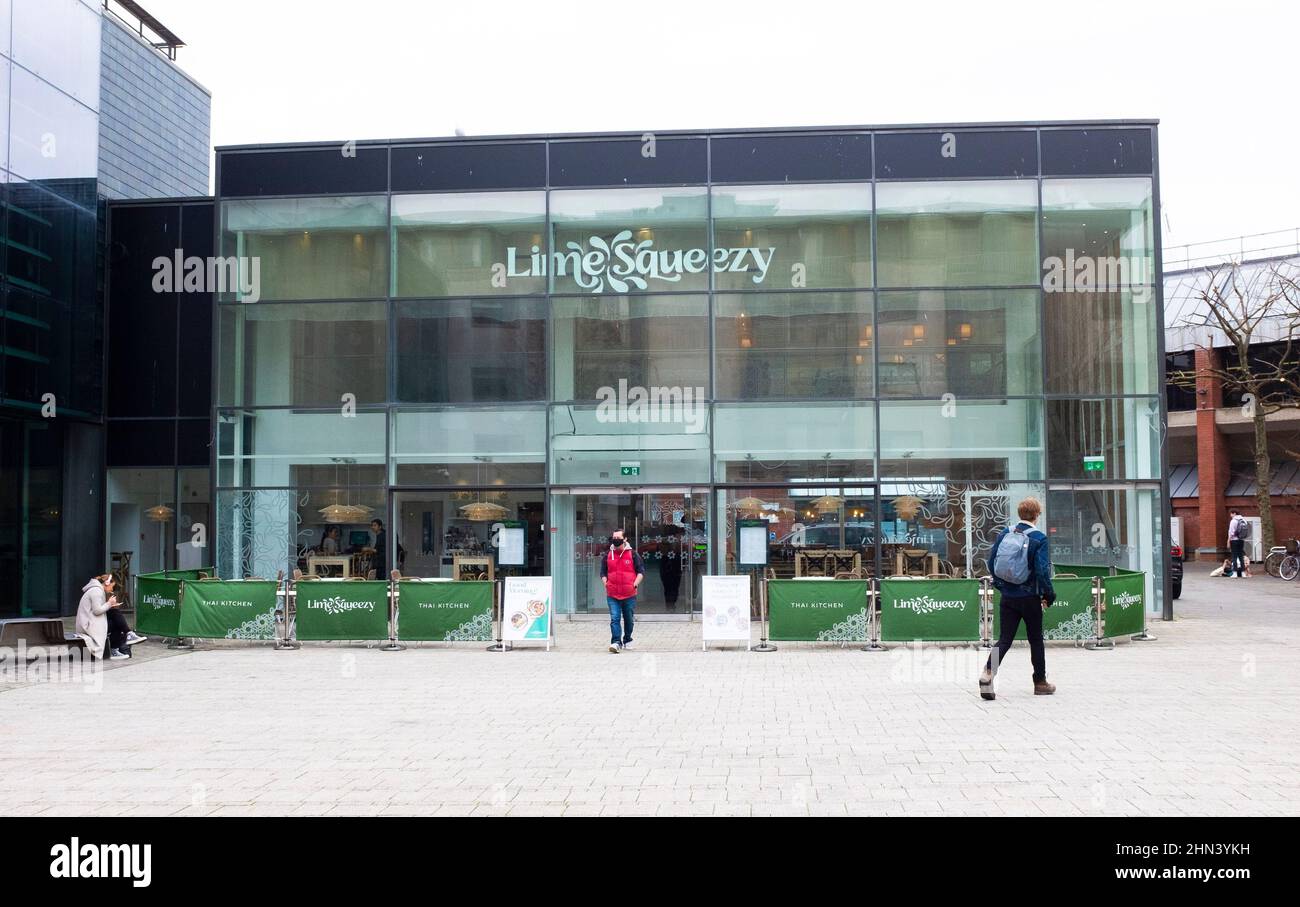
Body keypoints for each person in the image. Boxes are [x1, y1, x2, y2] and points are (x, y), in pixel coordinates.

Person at [979, 497, 1055, 700]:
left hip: (1008, 597)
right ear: (1037, 515)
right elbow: (1041, 570)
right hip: (1029, 597)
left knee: (1004, 640)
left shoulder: (1006, 532)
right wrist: (1049, 594)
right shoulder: (1039, 538)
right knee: (1036, 640)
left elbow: (991, 561)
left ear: (1020, 514)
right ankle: (1040, 682)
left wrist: (1001, 585)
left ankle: (988, 672)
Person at [600, 528, 644, 653]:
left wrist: (634, 584)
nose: (615, 540)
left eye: (618, 538)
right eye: (614, 538)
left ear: (625, 539)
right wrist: (606, 583)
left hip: (629, 594)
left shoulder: (633, 554)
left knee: (628, 619)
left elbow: (641, 571)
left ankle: (628, 639)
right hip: (612, 594)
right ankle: (616, 642)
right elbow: (603, 572)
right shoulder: (608, 554)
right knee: (615, 618)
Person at [76, 574, 131, 660]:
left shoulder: (96, 590)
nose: (112, 590)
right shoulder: (96, 591)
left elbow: (97, 609)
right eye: (112, 587)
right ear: (107, 583)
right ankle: (126, 637)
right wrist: (109, 603)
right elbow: (97, 611)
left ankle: (128, 635)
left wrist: (110, 605)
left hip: (89, 622)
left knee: (115, 614)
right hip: (88, 626)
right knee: (116, 622)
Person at [660, 526, 683, 611]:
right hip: (673, 564)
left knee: (668, 586)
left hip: (667, 564)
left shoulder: (663, 540)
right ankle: (671, 604)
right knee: (674, 585)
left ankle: (670, 604)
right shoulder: (675, 540)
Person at [1227, 509, 1247, 578]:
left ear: (1234, 513)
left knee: (1234, 556)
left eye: (1231, 514)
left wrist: (1228, 540)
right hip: (1241, 540)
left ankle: (1235, 573)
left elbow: (1231, 532)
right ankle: (1243, 573)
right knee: (1241, 556)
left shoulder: (1233, 521)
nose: (1230, 515)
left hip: (1234, 540)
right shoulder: (1244, 520)